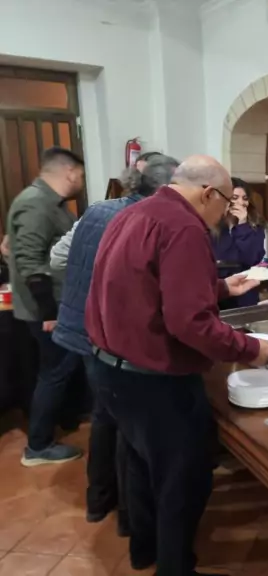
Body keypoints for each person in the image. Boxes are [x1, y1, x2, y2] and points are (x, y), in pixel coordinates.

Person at [85, 155, 268, 576]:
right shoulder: (185, 227)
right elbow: (189, 323)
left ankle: (144, 550)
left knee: (140, 465)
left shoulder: (132, 213)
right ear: (208, 194)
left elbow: (148, 286)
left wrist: (221, 286)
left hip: (109, 369)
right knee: (183, 480)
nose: (223, 215)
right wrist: (251, 349)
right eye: (225, 203)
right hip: (155, 380)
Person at [51, 155, 179, 534]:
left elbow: (58, 258)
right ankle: (128, 515)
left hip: (79, 324)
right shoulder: (145, 220)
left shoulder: (97, 209)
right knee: (124, 423)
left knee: (104, 414)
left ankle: (98, 500)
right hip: (107, 331)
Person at [7, 146, 85, 466]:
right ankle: (38, 447)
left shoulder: (50, 203)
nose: (81, 181)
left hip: (57, 305)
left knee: (60, 370)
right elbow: (30, 263)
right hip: (50, 310)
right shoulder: (36, 203)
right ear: (69, 172)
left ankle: (66, 419)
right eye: (80, 174)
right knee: (54, 372)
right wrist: (49, 314)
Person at [210, 178, 265, 309]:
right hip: (219, 293)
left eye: (245, 198)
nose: (241, 202)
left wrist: (243, 225)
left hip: (245, 293)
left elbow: (251, 259)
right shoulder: (211, 226)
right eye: (234, 197)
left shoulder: (254, 227)